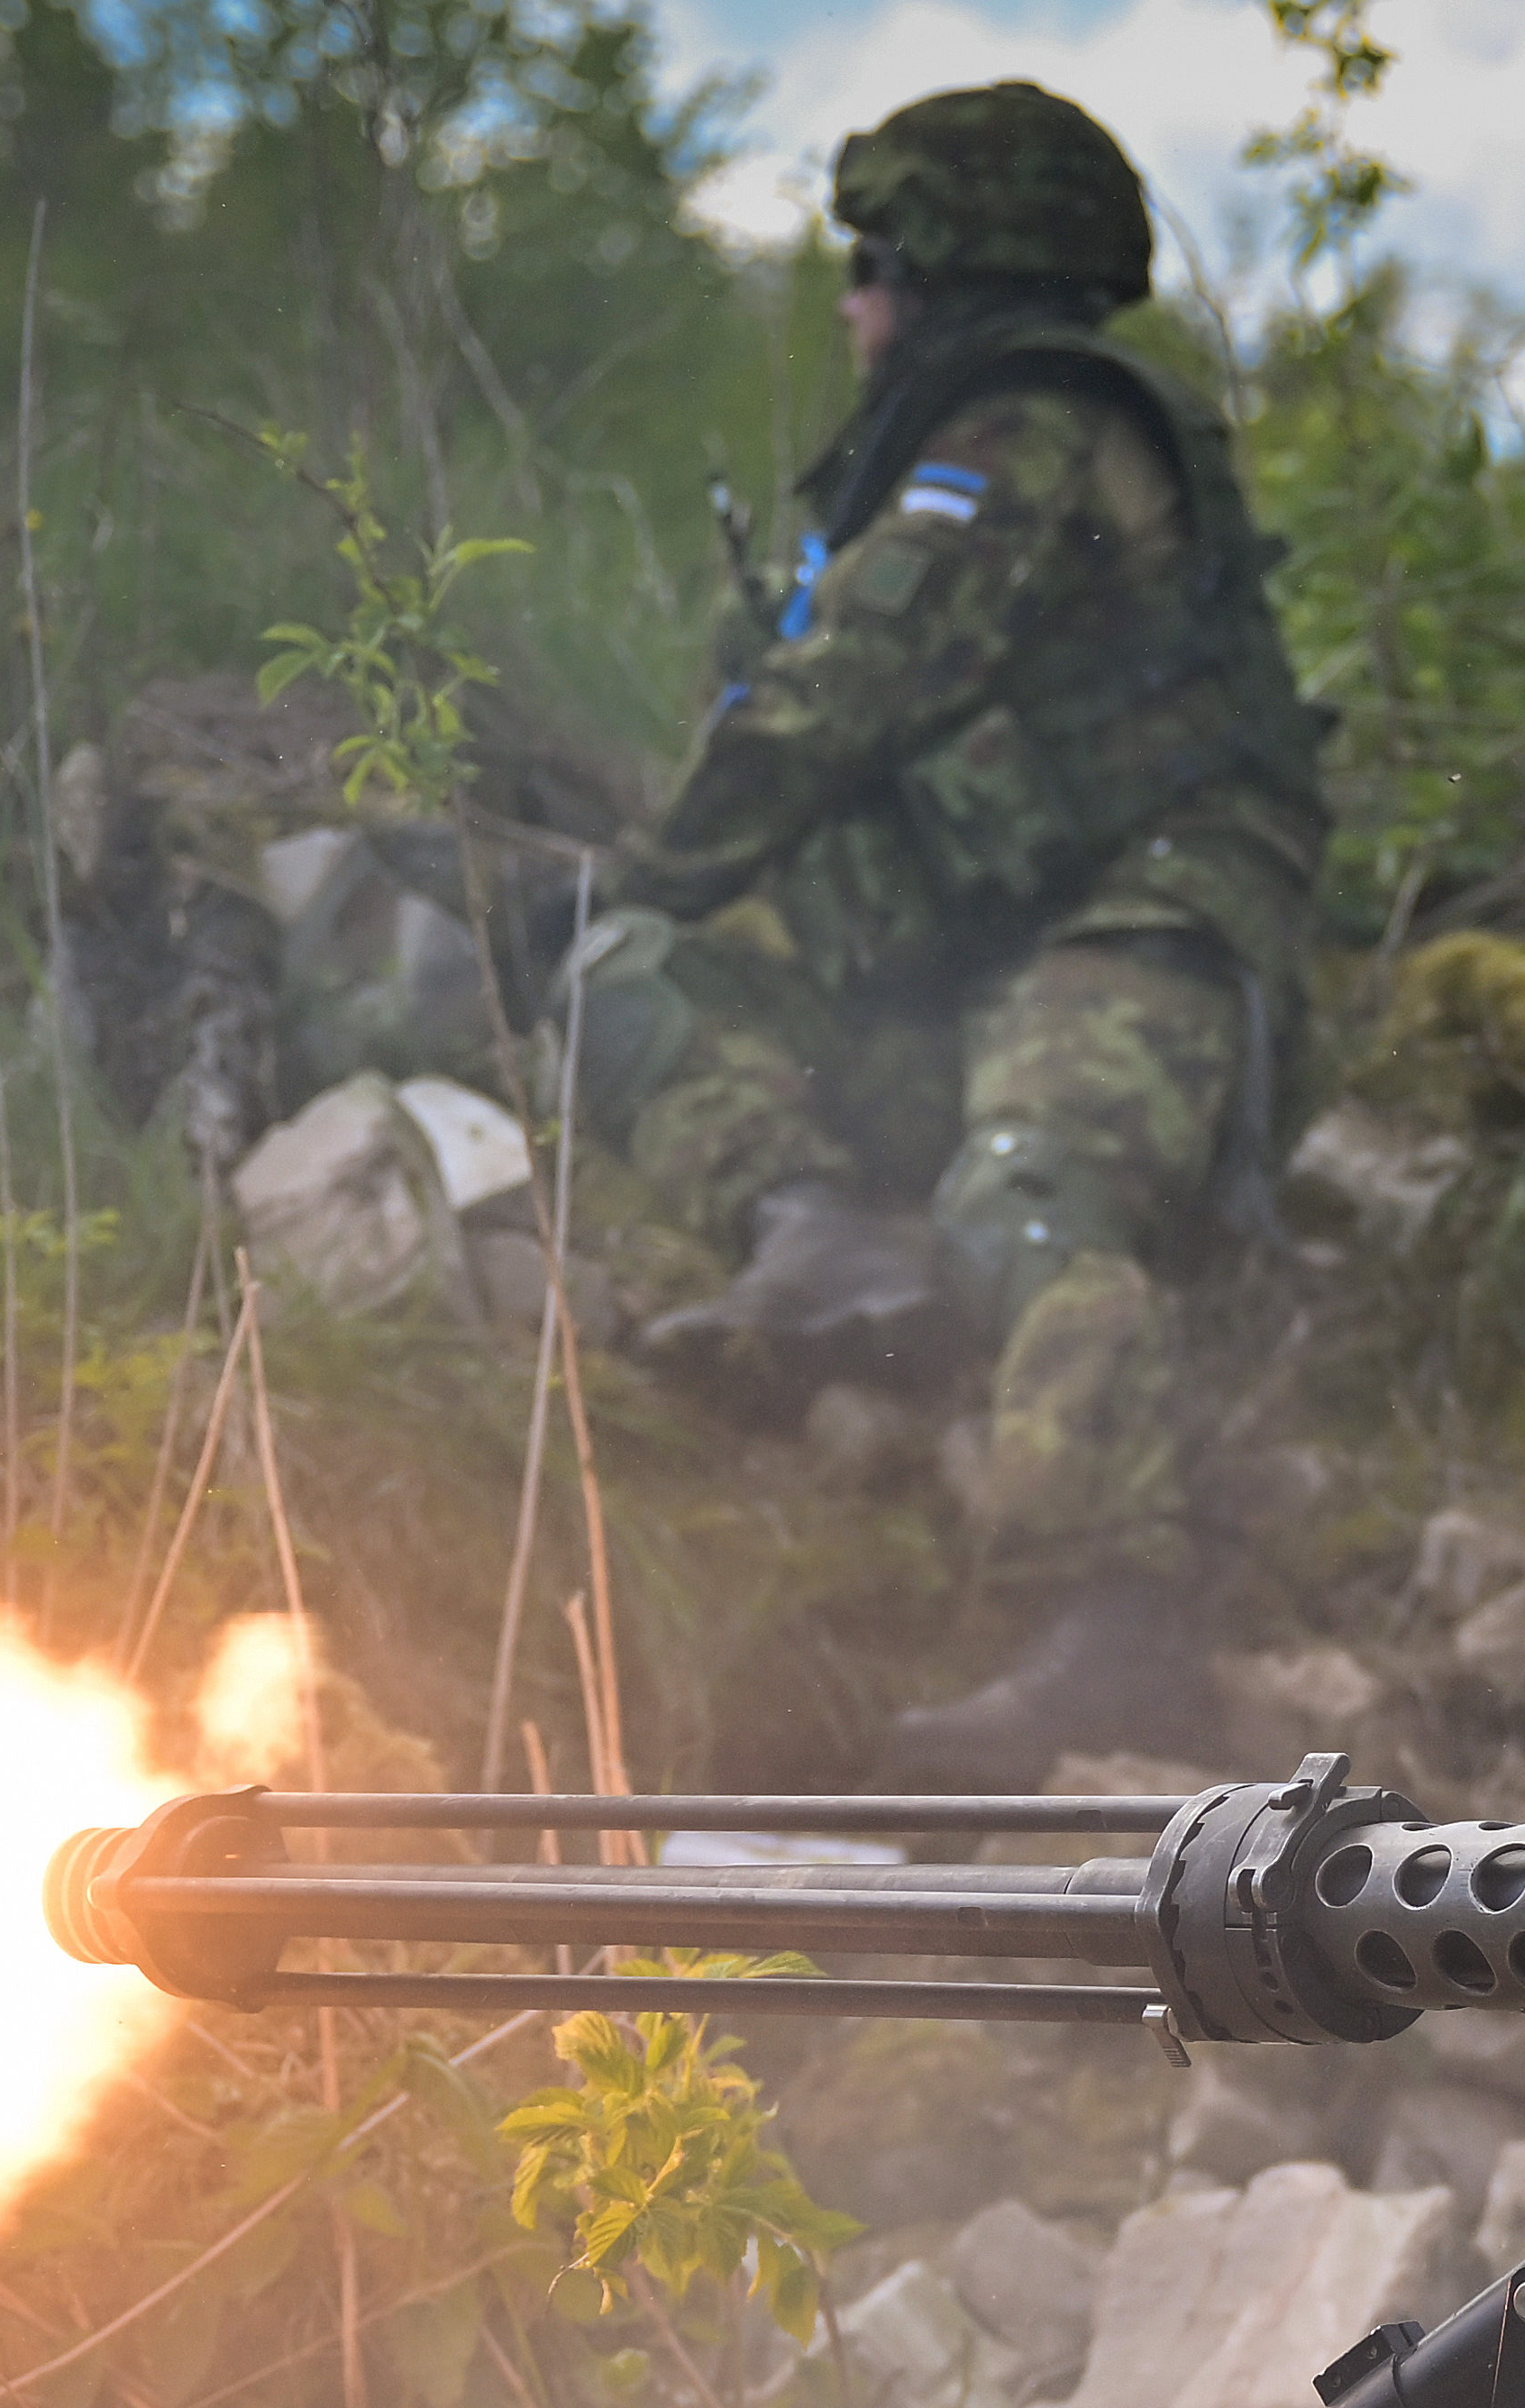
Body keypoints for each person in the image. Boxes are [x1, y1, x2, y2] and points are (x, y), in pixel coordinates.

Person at [594, 80, 1330, 1784]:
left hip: (1140, 929)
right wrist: (625, 918)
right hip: (961, 976)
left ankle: (1118, 1637)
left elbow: (844, 692)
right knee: (627, 983)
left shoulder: (1030, 432)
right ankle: (828, 1235)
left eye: (870, 264)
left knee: (1026, 1178)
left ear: (941, 267)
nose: (849, 307)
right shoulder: (935, 454)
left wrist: (649, 864)